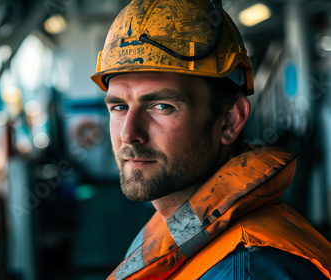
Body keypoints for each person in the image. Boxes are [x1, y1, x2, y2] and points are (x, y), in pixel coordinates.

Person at [90, 0, 331, 279]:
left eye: (162, 106)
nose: (128, 134)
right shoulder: (171, 224)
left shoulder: (247, 269)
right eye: (119, 107)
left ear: (229, 120)